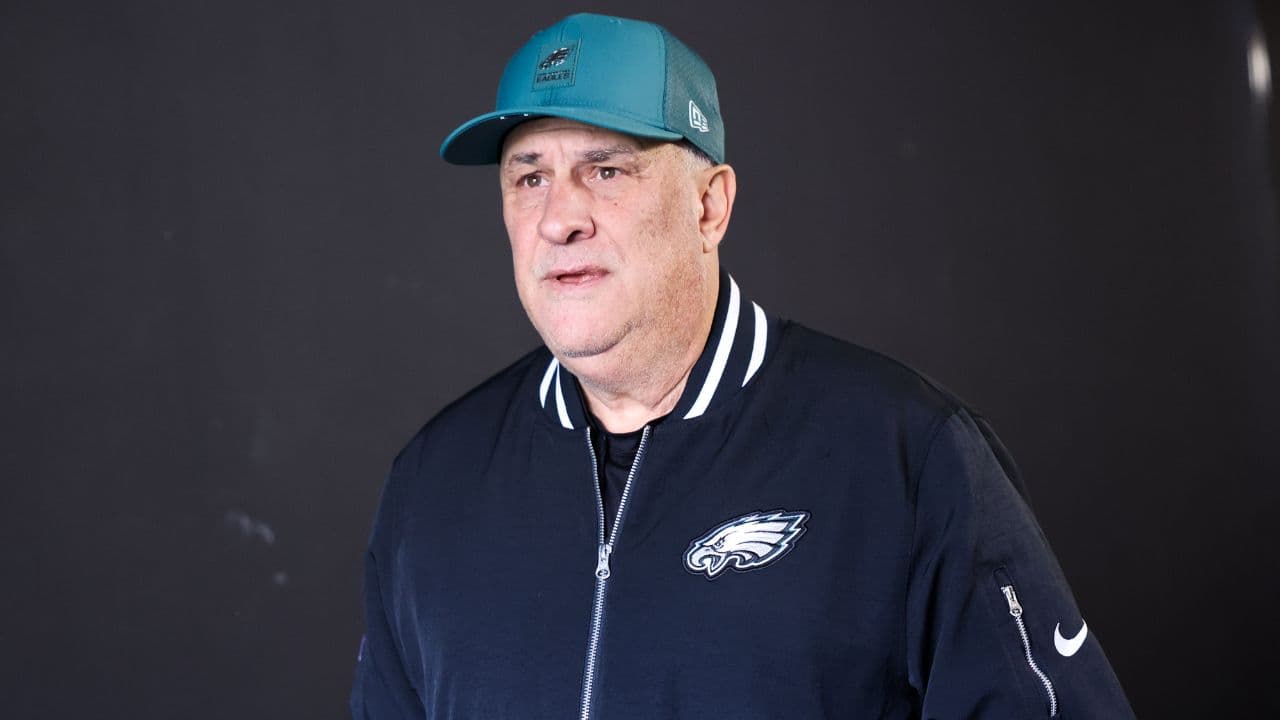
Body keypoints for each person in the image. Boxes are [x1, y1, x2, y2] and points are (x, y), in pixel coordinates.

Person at [350, 12, 1134, 719]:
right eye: (529, 177)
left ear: (709, 207)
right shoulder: (434, 484)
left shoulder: (905, 455)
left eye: (607, 169)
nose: (560, 218)